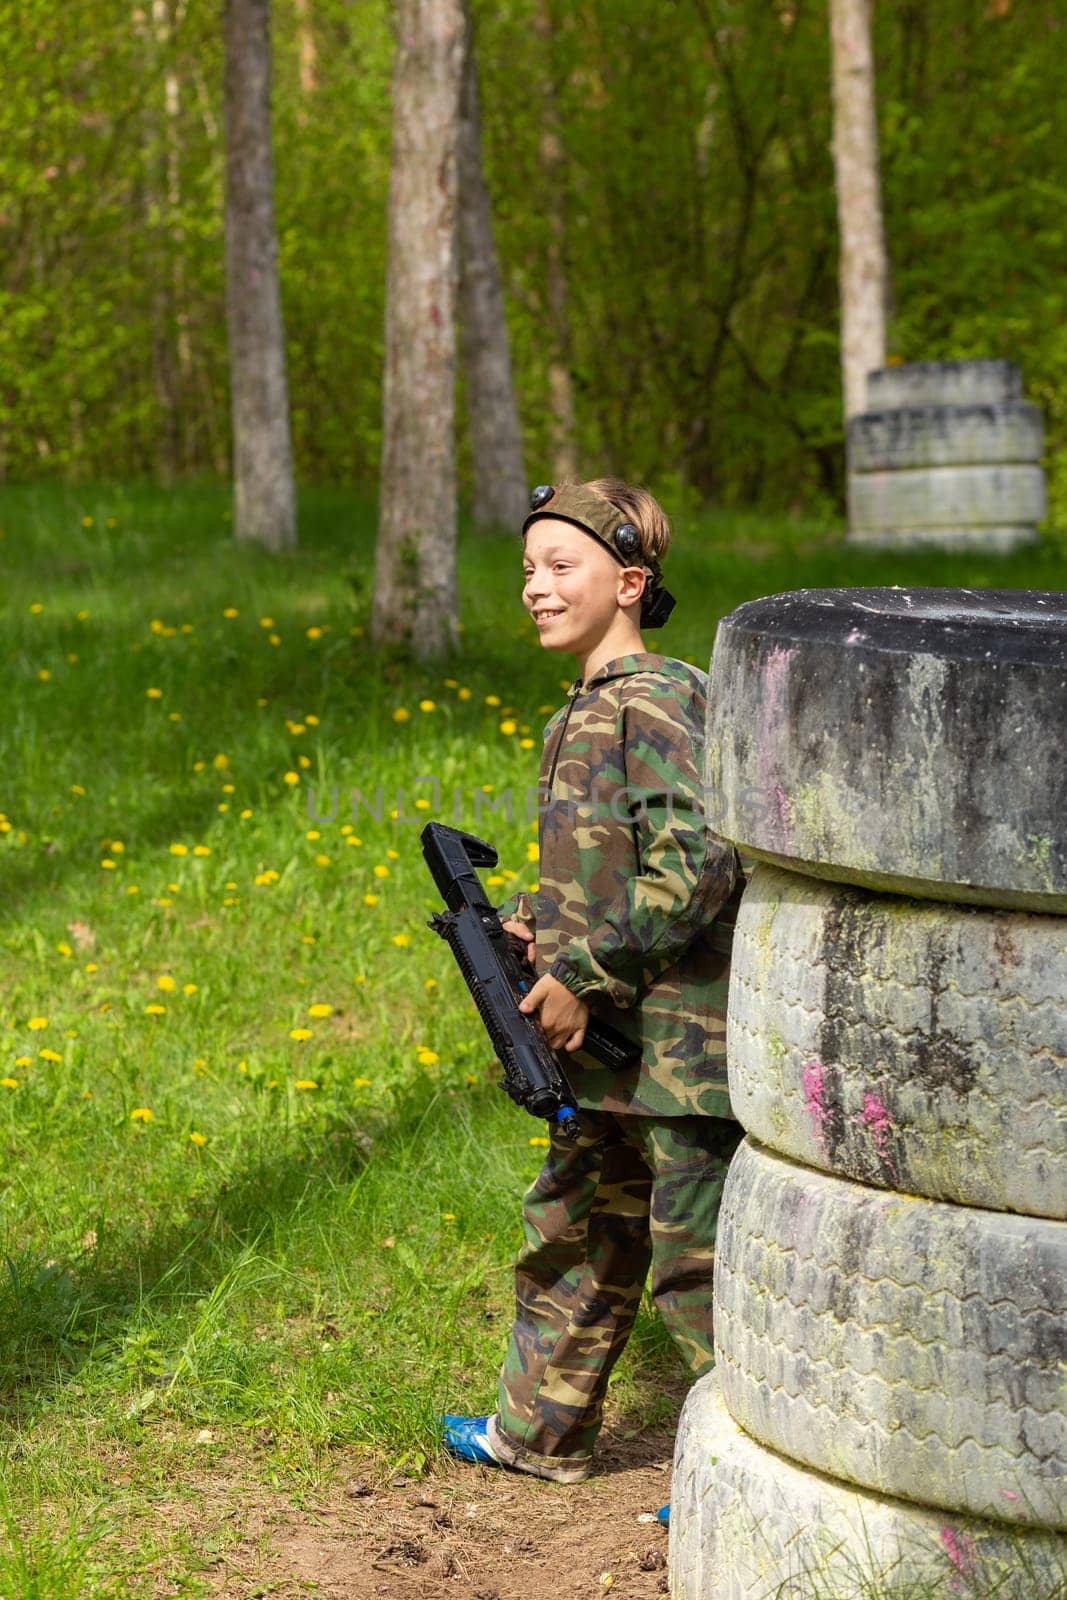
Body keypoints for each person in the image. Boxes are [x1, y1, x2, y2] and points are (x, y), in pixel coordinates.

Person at [443, 478, 745, 1488]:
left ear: (627, 581)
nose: (533, 586)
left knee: (696, 1272)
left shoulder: (658, 697)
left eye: (557, 566)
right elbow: (613, 861)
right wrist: (539, 931)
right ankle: (539, 1432)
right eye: (526, 568)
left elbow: (698, 859)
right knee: (570, 1240)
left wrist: (582, 966)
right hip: (602, 1050)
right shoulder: (580, 711)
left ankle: (735, 1489)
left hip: (675, 1058)